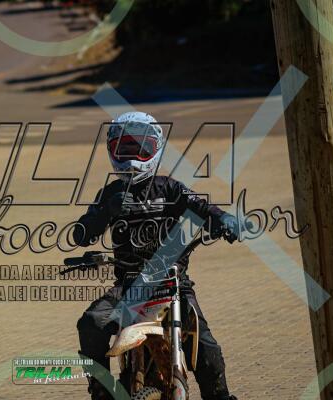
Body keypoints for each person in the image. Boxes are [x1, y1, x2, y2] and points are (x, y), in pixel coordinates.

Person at [74, 112, 242, 400]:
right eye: (125, 149)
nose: (132, 157)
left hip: (174, 284)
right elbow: (81, 234)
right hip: (129, 287)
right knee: (90, 323)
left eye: (141, 148)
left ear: (156, 148)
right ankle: (101, 389)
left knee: (207, 348)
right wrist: (106, 212)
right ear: (112, 151)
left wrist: (224, 219)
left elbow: (201, 207)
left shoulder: (170, 188)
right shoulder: (110, 194)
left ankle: (220, 397)